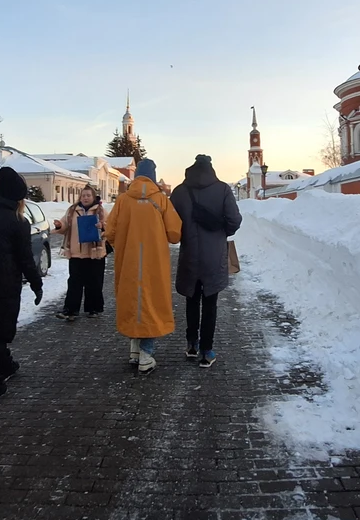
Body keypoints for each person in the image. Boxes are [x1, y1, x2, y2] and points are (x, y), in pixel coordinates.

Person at [103, 159, 182, 374]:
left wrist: (122, 242)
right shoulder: (161, 200)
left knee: (132, 300)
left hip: (128, 261)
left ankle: (135, 349)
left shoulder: (123, 200)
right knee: (151, 302)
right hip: (154, 263)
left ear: (136, 175)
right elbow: (175, 233)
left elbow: (110, 232)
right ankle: (146, 354)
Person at [0, 167, 43, 405]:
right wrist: (36, 284)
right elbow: (25, 258)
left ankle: (6, 364)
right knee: (0, 333)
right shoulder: (18, 222)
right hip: (6, 283)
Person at [170, 155, 242, 368]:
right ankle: (206, 351)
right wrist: (222, 231)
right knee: (210, 303)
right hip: (214, 256)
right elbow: (234, 220)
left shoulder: (180, 192)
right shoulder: (223, 189)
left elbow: (171, 224)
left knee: (191, 299)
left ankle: (192, 344)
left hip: (190, 255)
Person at [52, 185, 107, 322]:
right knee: (74, 282)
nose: (85, 198)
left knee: (94, 282)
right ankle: (70, 310)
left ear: (93, 197)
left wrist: (102, 226)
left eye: (88, 195)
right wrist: (59, 225)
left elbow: (111, 226)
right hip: (76, 253)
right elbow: (65, 224)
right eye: (83, 195)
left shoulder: (100, 211)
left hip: (95, 253)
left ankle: (93, 309)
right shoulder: (72, 210)